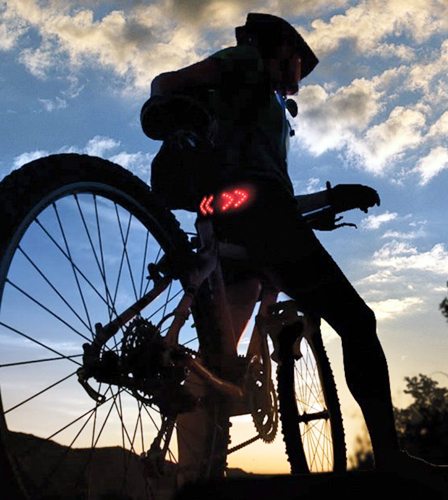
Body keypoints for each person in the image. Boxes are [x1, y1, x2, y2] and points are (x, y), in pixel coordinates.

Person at [142, 12, 448, 492]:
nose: (300, 77)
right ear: (283, 51)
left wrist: (328, 199)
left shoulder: (258, 106)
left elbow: (268, 191)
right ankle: (390, 459)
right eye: (299, 64)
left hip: (228, 217)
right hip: (260, 218)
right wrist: (169, 102)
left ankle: (192, 475)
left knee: (214, 360)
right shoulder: (247, 63)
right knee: (357, 321)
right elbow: (169, 82)